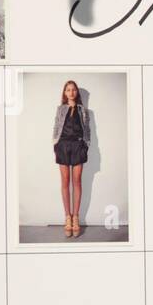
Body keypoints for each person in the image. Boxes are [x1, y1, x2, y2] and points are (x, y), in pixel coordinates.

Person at [51, 80, 92, 238]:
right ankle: (67, 217)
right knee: (65, 181)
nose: (71, 92)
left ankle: (76, 218)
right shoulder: (60, 109)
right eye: (68, 90)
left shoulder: (83, 110)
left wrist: (85, 145)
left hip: (77, 146)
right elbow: (56, 127)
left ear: (76, 92)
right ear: (65, 93)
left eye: (73, 89)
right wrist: (55, 143)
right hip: (62, 146)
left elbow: (87, 129)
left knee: (77, 181)